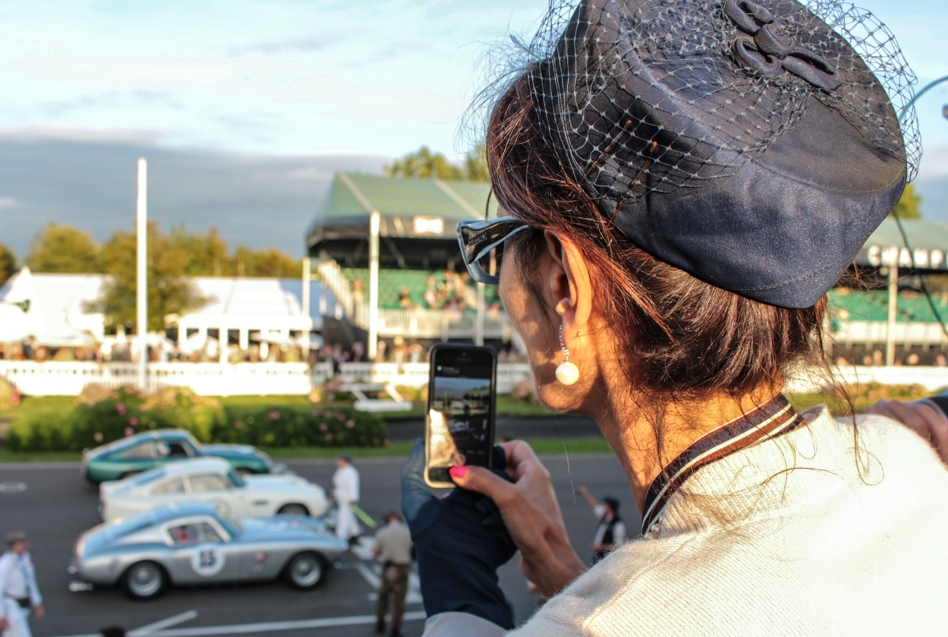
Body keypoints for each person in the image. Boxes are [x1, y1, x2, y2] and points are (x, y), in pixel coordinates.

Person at [401, 0, 948, 634]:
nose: (497, 286)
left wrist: (455, 579)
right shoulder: (908, 460)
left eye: (496, 248)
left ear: (564, 288)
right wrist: (563, 569)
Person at [0, 531, 44, 637]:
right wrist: (0, 615)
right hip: (12, 605)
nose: (25, 544)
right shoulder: (4, 564)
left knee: (10, 634)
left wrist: (37, 602)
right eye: (21, 543)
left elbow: (30, 581)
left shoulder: (26, 558)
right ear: (14, 546)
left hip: (24, 603)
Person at [372, 511, 414, 637]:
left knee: (382, 597)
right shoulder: (408, 532)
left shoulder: (382, 533)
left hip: (388, 569)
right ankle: (395, 629)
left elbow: (375, 553)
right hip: (402, 569)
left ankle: (380, 622)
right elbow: (414, 552)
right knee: (399, 601)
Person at [575, 487, 624, 564]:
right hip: (599, 556)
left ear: (610, 508)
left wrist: (601, 547)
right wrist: (585, 494)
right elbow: (594, 506)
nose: (604, 506)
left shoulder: (618, 525)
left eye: (606, 505)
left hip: (608, 558)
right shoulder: (605, 516)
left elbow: (618, 545)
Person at [332, 454, 361, 544]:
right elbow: (338, 486)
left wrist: (353, 499)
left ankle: (340, 536)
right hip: (341, 498)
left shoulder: (351, 473)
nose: (338, 462)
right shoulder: (340, 471)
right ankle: (355, 532)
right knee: (349, 516)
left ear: (345, 462)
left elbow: (353, 487)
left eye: (340, 461)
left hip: (347, 499)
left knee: (343, 517)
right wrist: (334, 494)